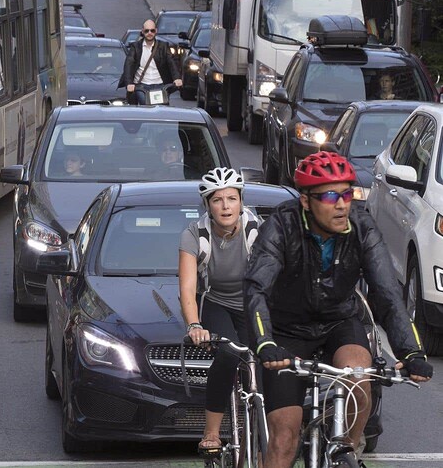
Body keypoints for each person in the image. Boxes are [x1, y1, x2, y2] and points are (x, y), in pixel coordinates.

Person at [244, 151, 433, 466]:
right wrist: (265, 343)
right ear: (306, 201)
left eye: (347, 193)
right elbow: (256, 288)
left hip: (338, 322)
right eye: (331, 195)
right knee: (284, 438)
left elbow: (386, 292)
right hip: (285, 331)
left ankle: (346, 448)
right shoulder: (281, 226)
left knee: (359, 374)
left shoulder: (362, 228)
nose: (342, 203)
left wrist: (410, 352)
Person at [179, 168, 261, 456]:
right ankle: (211, 432)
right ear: (207, 205)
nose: (226, 206)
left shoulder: (256, 231)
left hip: (253, 302)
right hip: (216, 301)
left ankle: (270, 425)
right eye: (217, 200)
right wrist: (194, 325)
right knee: (228, 353)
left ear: (241, 201)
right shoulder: (195, 235)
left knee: (267, 355)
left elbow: (273, 279)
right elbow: (188, 288)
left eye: (232, 198)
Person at [120, 19, 182, 105]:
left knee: (162, 108)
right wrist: (129, 83)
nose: (149, 33)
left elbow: (171, 62)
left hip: (160, 85)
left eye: (152, 30)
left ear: (156, 31)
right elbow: (128, 65)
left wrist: (177, 78)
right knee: (146, 105)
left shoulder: (163, 46)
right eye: (146, 31)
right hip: (141, 86)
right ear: (142, 31)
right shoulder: (135, 47)